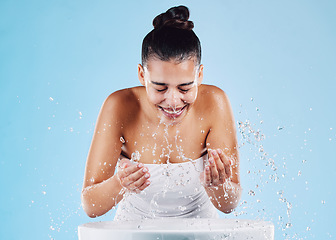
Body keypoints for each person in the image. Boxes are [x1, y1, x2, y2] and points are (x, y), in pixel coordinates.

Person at [81, 5, 242, 220]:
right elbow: (91, 206)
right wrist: (119, 183)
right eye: (160, 88)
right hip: (133, 231)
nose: (174, 102)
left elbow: (229, 205)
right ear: (141, 75)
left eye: (185, 88)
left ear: (200, 75)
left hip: (201, 230)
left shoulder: (214, 103)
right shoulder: (120, 106)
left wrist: (217, 186)